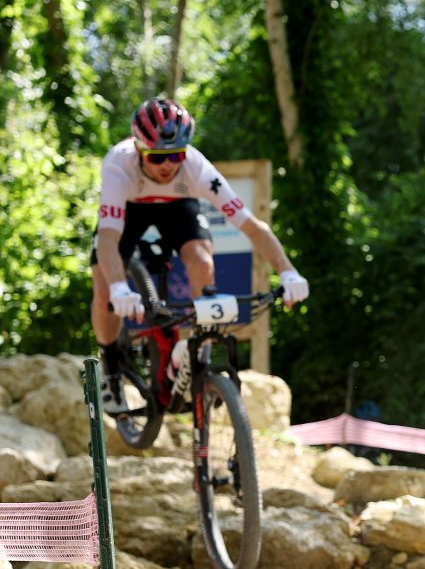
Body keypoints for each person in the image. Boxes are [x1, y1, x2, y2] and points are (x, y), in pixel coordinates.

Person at [91, 97, 310, 412]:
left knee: (203, 262)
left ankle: (193, 355)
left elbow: (252, 226)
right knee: (103, 287)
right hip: (131, 208)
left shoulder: (195, 168)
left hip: (177, 207)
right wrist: (118, 287)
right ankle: (110, 364)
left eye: (176, 155)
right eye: (156, 157)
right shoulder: (118, 165)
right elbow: (109, 238)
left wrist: (288, 271)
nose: (167, 165)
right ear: (138, 149)